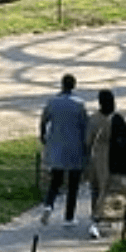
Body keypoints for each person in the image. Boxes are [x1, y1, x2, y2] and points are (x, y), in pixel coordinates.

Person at [38, 73, 88, 227]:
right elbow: (85, 125)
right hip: (75, 147)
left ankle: (48, 205)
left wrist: (43, 136)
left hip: (57, 146)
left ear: (62, 85)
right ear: (74, 85)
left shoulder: (52, 102)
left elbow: (43, 121)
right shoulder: (79, 104)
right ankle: (69, 217)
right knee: (73, 185)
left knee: (55, 181)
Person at [84, 88, 126, 238]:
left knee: (96, 189)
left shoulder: (94, 119)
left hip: (98, 157)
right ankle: (106, 217)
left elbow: (87, 141)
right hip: (116, 159)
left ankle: (96, 218)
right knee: (109, 189)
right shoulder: (118, 119)